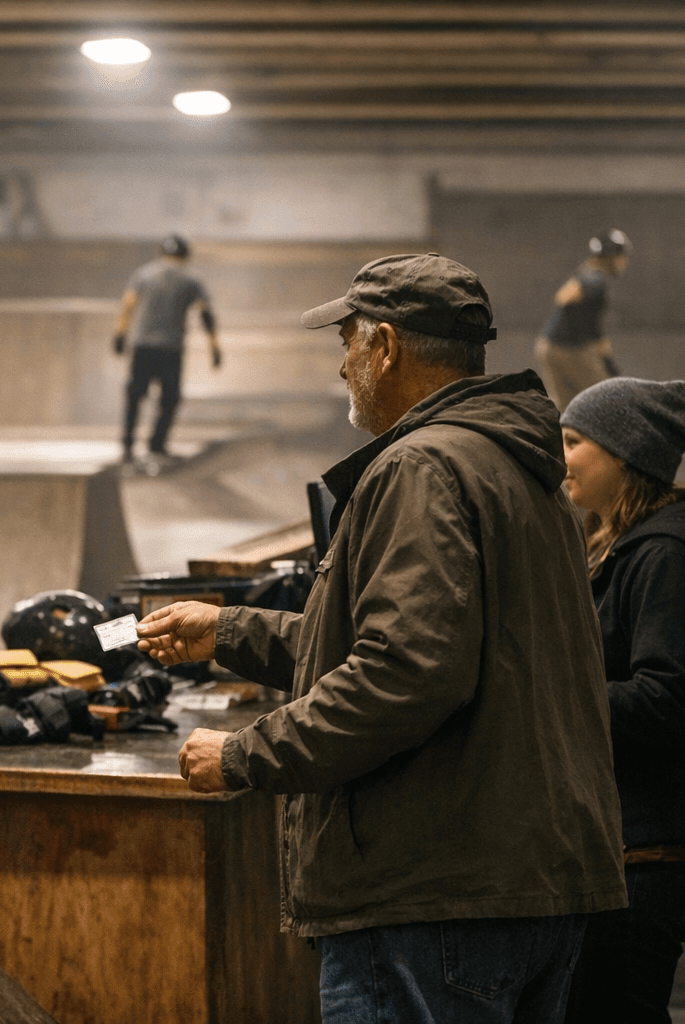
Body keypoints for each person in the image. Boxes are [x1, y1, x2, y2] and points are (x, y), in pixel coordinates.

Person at [137, 254, 627, 1022]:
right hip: (532, 881)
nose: (343, 368)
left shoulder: (421, 466)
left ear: (388, 347)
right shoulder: (517, 467)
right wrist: (229, 629)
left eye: (348, 343)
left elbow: (405, 674)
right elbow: (433, 646)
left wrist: (244, 754)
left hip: (433, 896)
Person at [557, 377, 685, 1022]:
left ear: (624, 455)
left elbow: (667, 699)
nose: (561, 456)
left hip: (643, 852)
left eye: (574, 441)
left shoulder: (662, 553)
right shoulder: (615, 543)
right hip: (616, 845)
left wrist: (548, 702)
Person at [113, 233, 221, 461]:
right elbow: (206, 314)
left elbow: (128, 305)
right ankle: (157, 444)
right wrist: (214, 347)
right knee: (169, 398)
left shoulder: (143, 274)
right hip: (171, 348)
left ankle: (127, 445)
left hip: (142, 345)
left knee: (135, 395)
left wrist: (120, 335)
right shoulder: (191, 280)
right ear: (185, 255)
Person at [535, 228, 631, 411]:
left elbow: (593, 325)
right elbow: (564, 296)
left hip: (549, 347)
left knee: (567, 408)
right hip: (569, 349)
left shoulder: (590, 273)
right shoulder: (595, 279)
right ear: (612, 257)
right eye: (621, 256)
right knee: (604, 399)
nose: (623, 262)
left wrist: (605, 354)